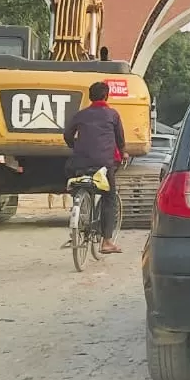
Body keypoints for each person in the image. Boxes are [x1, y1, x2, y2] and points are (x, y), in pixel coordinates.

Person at [63, 81, 125, 254]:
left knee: (76, 182)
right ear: (106, 96)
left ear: (90, 97)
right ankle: (106, 241)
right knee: (109, 197)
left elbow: (67, 134)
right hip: (103, 165)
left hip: (81, 162)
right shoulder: (112, 114)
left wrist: (75, 145)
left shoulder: (80, 115)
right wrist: (123, 152)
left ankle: (79, 205)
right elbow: (120, 140)